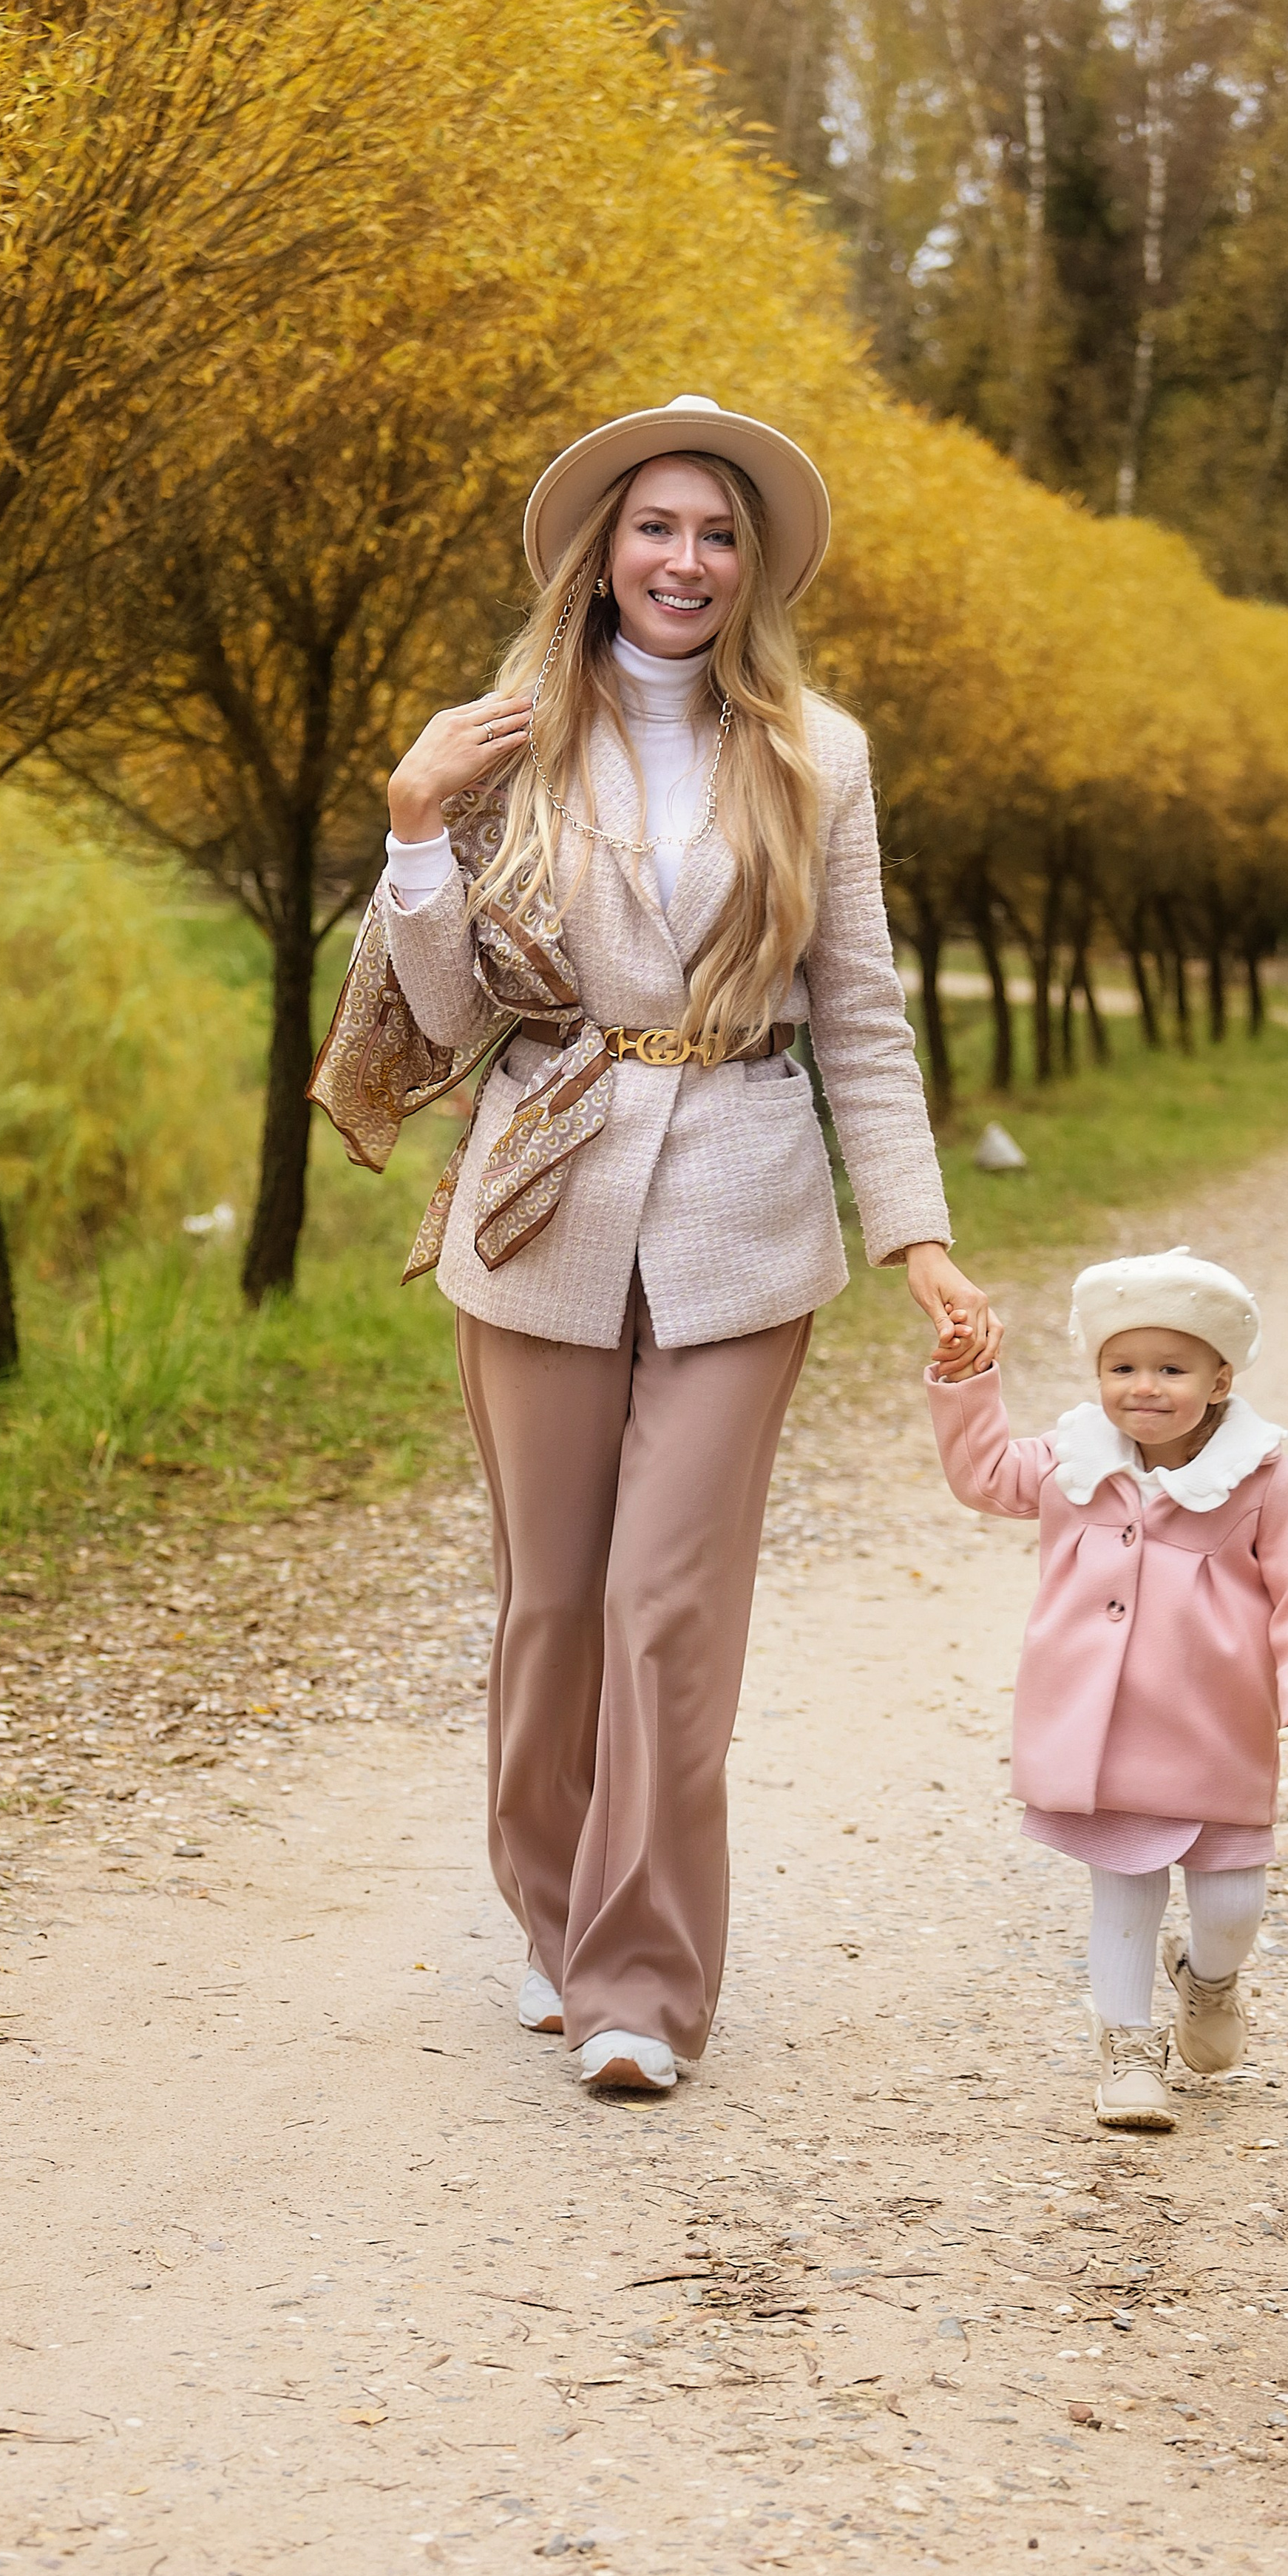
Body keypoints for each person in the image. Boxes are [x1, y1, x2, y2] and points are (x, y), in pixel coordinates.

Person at [311, 394, 997, 2094]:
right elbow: (457, 1011)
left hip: (744, 1214)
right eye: (656, 528)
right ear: (601, 553)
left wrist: (911, 1232)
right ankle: (550, 1919)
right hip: (539, 1197)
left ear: (744, 563)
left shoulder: (817, 754)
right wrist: (411, 827)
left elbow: (858, 1008)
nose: (684, 559)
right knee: (551, 1600)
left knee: (665, 1604)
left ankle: (638, 1983)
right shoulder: (506, 740)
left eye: (714, 533)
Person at [924, 1246, 1288, 2131]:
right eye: (1122, 1367)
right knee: (1123, 1890)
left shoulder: (1259, 1473)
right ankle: (1126, 2052)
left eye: (1171, 1368)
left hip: (1217, 1728)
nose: (1143, 1387)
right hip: (1105, 1734)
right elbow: (984, 1477)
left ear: (1220, 1376)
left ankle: (1209, 1978)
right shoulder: (1074, 1456)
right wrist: (969, 1382)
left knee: (1232, 1904)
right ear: (1096, 1372)